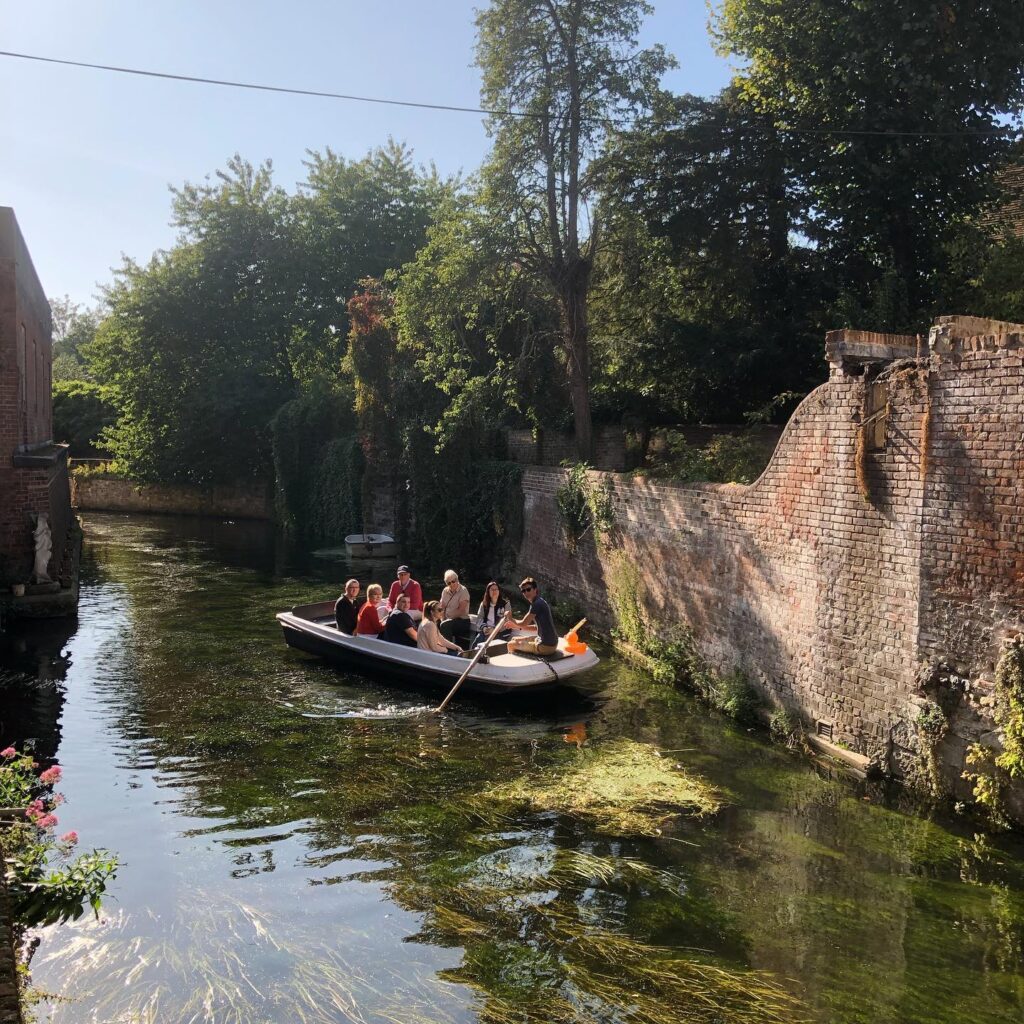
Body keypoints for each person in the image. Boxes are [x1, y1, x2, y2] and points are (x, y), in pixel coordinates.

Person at [506, 577, 559, 657]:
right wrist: (516, 626)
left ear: (535, 589)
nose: (526, 592)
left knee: (510, 644)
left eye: (528, 589)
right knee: (514, 639)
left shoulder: (536, 604)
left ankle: (514, 667)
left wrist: (510, 618)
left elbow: (523, 623)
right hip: (551, 643)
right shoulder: (539, 601)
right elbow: (536, 627)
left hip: (546, 647)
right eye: (523, 591)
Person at [438, 570, 472, 648]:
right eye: (449, 583)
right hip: (447, 619)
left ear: (457, 580)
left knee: (446, 625)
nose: (452, 584)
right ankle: (435, 647)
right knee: (433, 622)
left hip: (462, 621)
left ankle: (449, 650)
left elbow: (461, 611)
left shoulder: (463, 591)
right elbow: (441, 607)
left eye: (453, 581)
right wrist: (442, 618)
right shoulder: (445, 591)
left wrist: (447, 618)